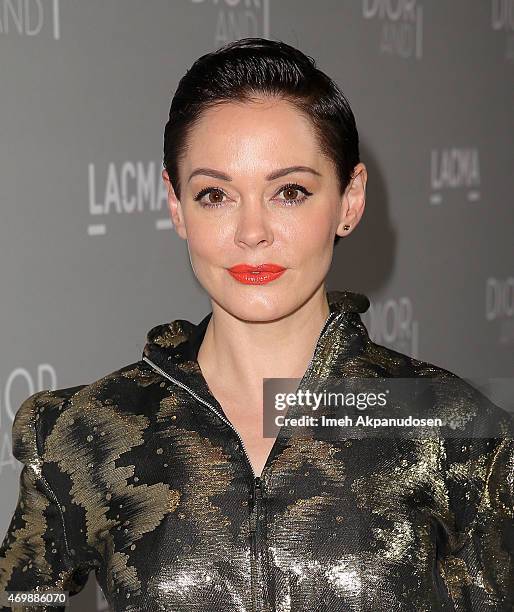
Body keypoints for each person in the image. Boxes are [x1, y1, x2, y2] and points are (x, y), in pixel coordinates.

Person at [0, 37, 512, 612]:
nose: (252, 232)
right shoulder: (82, 432)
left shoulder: (449, 427)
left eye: (290, 192)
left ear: (350, 198)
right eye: (214, 194)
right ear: (176, 206)